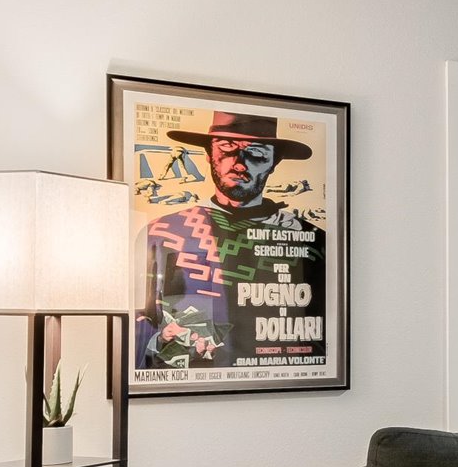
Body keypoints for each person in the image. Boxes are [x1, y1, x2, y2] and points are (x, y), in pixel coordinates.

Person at [137, 111, 327, 372]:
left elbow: (326, 339)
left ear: (274, 163)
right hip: (186, 396)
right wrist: (161, 341)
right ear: (208, 154)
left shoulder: (312, 241)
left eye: (257, 153)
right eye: (226, 147)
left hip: (283, 392)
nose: (239, 163)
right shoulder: (160, 233)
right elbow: (137, 325)